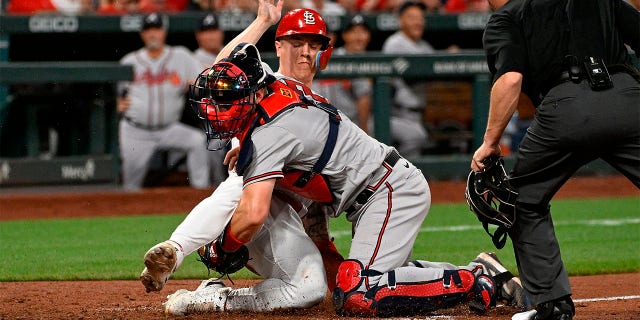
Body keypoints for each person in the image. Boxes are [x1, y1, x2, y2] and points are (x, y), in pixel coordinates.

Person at [140, 4, 344, 312]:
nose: (305, 52)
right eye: (296, 42)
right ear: (278, 45)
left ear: (324, 52)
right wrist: (262, 21)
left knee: (311, 287)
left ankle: (213, 297)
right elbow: (224, 65)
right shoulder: (266, 82)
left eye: (314, 45)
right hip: (243, 204)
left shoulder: (325, 110)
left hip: (280, 219)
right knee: (243, 182)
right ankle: (175, 249)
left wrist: (323, 244)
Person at [470, 0, 640, 319]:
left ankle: (553, 306)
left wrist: (490, 142)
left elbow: (509, 80)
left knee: (520, 200)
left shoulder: (506, 17)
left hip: (566, 109)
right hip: (629, 100)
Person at [118, 12, 210, 191]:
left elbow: (204, 81)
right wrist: (116, 103)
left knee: (197, 142)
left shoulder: (181, 57)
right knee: (130, 187)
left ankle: (201, 195)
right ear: (142, 34)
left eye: (157, 29)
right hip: (136, 132)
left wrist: (196, 84)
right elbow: (113, 92)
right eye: (148, 30)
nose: (153, 34)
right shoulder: (129, 61)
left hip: (169, 129)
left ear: (164, 32)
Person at [381, 0, 432, 159]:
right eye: (412, 17)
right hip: (396, 113)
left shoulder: (423, 45)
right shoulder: (395, 43)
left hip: (416, 114)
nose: (417, 22)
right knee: (417, 137)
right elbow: (414, 75)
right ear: (400, 20)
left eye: (420, 18)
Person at [311, 13, 372, 132]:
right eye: (353, 32)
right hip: (323, 122)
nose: (358, 37)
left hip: (350, 123)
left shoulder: (348, 59)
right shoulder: (329, 59)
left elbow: (364, 99)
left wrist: (364, 132)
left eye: (363, 31)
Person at [192, 12, 229, 185]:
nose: (211, 36)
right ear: (198, 35)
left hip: (238, 117)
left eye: (214, 30)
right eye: (206, 31)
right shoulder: (191, 59)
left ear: (221, 32)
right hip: (209, 123)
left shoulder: (234, 54)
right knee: (213, 144)